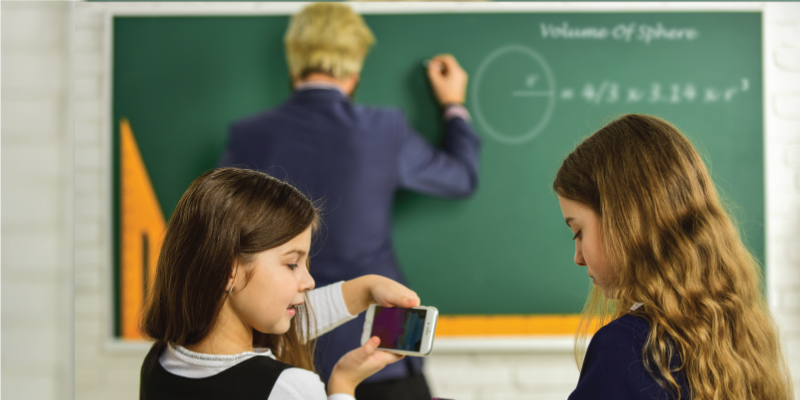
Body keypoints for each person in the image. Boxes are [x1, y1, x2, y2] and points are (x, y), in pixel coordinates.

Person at [218, 3, 481, 398]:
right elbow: (460, 178)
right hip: (376, 347)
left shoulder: (247, 135)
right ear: (355, 72)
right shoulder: (383, 129)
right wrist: (453, 107)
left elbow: (217, 230)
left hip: (277, 348)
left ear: (293, 66)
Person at [553, 114, 794, 400]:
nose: (578, 258)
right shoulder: (737, 339)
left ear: (626, 220)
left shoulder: (628, 348)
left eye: (578, 232)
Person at [139, 167, 424, 400]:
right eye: (292, 264)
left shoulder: (160, 361)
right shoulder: (289, 388)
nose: (309, 281)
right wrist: (343, 384)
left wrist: (365, 289)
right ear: (230, 271)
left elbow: (289, 323)